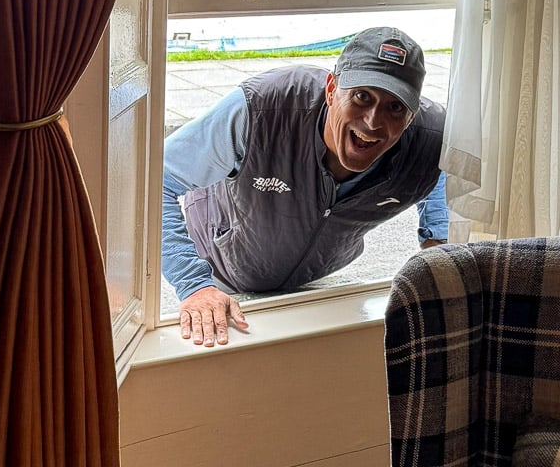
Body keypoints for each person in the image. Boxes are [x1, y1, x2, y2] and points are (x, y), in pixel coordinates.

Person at [162, 26, 448, 346]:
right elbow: (158, 179)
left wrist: (438, 244)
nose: (372, 122)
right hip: (221, 268)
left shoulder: (433, 138)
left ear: (411, 117)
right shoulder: (262, 108)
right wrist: (194, 285)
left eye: (394, 107)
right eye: (361, 96)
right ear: (330, 88)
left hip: (315, 284)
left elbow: (444, 169)